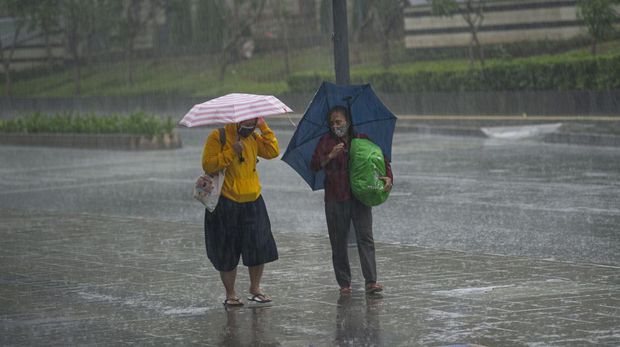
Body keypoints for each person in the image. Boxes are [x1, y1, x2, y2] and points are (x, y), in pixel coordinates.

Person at [311, 106, 393, 295]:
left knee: (365, 237)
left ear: (348, 121)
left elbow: (381, 160)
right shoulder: (326, 141)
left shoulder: (362, 140)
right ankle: (344, 283)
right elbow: (314, 164)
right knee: (338, 241)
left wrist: (388, 177)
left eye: (338, 121)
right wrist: (330, 155)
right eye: (332, 123)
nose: (335, 126)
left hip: (360, 197)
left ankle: (371, 281)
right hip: (335, 198)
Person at [202, 117, 279, 307]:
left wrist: (264, 127)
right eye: (247, 122)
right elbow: (208, 165)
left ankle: (255, 289)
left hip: (253, 200)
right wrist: (231, 152)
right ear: (235, 120)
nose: (249, 126)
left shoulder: (253, 137)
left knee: (259, 247)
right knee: (227, 250)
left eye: (253, 122)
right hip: (226, 202)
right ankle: (231, 293)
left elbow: (272, 151)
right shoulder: (217, 137)